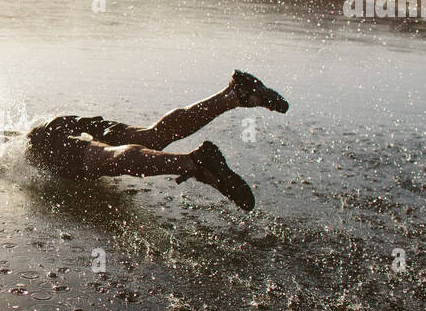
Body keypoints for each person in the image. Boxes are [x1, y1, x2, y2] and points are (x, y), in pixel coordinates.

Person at [25, 70, 289, 211]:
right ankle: (235, 94)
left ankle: (193, 163)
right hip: (60, 124)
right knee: (151, 137)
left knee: (107, 159)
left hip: (40, 143)